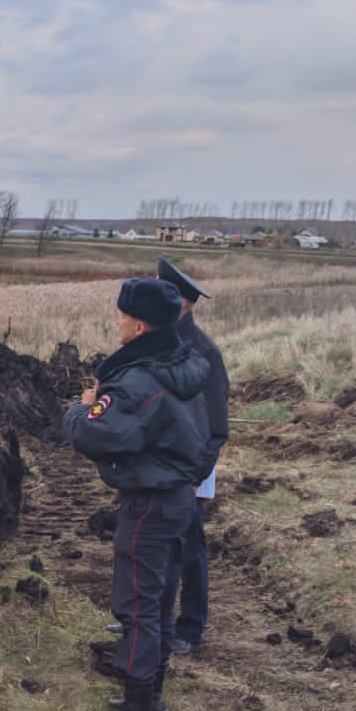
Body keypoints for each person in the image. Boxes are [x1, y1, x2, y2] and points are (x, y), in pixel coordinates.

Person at [65, 277, 211, 711]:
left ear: (140, 324)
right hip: (178, 499)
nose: (117, 322)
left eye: (122, 315)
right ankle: (154, 700)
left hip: (149, 505)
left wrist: (81, 411)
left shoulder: (137, 382)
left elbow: (97, 435)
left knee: (138, 608)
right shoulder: (185, 362)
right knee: (161, 599)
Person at [157, 257, 229, 656]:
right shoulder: (164, 342)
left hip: (190, 467)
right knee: (160, 548)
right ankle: (157, 618)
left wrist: (196, 474)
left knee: (189, 547)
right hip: (165, 464)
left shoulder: (203, 351)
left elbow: (216, 423)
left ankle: (189, 627)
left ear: (179, 303)